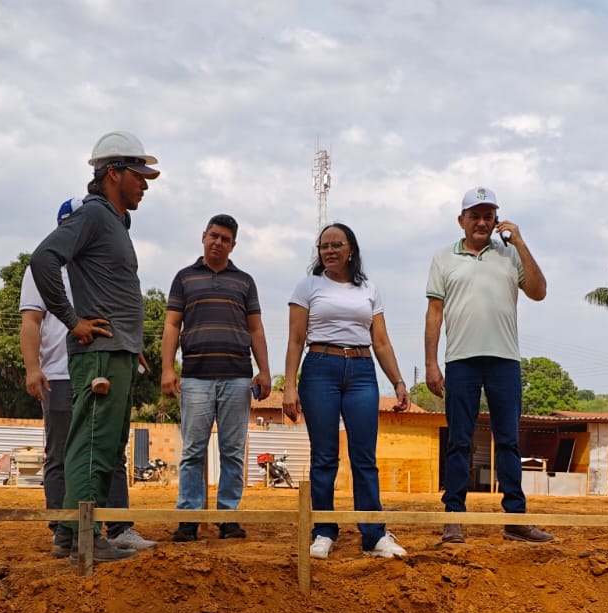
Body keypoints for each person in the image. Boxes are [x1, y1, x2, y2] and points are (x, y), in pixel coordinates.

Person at [29, 131, 161, 563]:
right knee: (92, 442)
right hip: (100, 353)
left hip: (118, 350)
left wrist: (132, 342)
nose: (144, 185)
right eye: (139, 175)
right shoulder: (93, 215)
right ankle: (85, 539)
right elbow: (43, 259)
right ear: (113, 173)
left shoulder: (114, 222)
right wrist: (73, 321)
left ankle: (74, 533)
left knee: (105, 444)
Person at [424, 186, 555, 544]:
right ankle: (453, 518)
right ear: (461, 220)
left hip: (504, 361)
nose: (481, 222)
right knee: (459, 442)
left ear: (497, 220)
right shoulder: (443, 258)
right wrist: (431, 363)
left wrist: (521, 244)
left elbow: (539, 292)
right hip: (460, 361)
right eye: (474, 216)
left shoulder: (510, 255)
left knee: (509, 441)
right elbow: (434, 313)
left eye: (488, 216)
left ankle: (515, 519)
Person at [281, 223, 410, 560]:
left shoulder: (368, 288)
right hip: (319, 368)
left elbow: (381, 341)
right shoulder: (308, 286)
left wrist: (398, 381)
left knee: (364, 456)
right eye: (324, 246)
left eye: (336, 244)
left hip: (362, 371)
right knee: (324, 456)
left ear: (351, 249)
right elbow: (295, 339)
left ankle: (374, 535)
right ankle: (323, 531)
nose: (329, 250)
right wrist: (289, 385)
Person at [162, 214, 272, 542]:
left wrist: (264, 370)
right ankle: (189, 518)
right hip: (195, 377)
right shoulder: (184, 278)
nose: (218, 242)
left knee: (233, 451)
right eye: (213, 236)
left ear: (233, 245)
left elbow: (255, 329)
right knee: (192, 451)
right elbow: (172, 325)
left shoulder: (245, 282)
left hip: (237, 377)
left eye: (225, 239)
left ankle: (228, 518)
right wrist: (168, 369)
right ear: (203, 236)